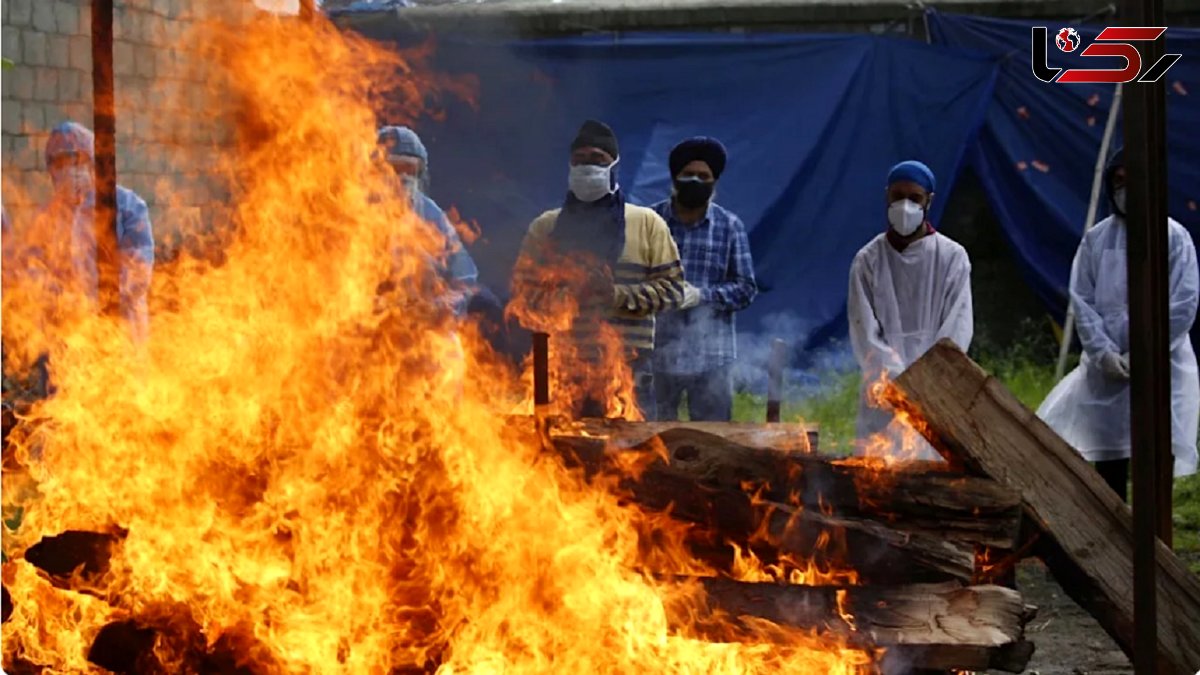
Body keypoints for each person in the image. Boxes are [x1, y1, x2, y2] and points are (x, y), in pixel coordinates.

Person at [1037, 148, 1199, 500]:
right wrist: (1104, 354)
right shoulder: (1097, 240)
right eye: (1118, 181)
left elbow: (1183, 303)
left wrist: (1147, 351)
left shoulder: (1172, 237)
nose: (1125, 188)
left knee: (1155, 459)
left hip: (1162, 367)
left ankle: (1156, 547)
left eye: (1133, 180)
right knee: (1109, 462)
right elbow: (1083, 300)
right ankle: (1112, 544)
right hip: (1106, 373)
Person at [511, 119, 697, 418]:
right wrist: (568, 297)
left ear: (614, 166)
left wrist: (616, 295)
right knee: (558, 458)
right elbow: (523, 295)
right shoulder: (545, 227)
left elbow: (673, 291)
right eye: (580, 160)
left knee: (632, 458)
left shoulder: (647, 224)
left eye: (598, 160)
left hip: (629, 374)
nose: (588, 167)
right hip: (563, 372)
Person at [847, 160, 973, 460]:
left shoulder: (951, 257)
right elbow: (864, 331)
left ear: (929, 201)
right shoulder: (868, 260)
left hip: (934, 390)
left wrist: (927, 381)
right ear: (886, 197)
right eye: (897, 196)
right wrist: (895, 380)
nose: (905, 206)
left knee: (933, 471)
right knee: (876, 478)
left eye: (914, 198)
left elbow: (957, 327)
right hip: (883, 390)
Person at [650, 137, 757, 421]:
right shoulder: (650, 221)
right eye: (688, 175)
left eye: (703, 176)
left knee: (713, 443)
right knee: (649, 444)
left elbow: (746, 289)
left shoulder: (730, 226)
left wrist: (702, 296)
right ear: (674, 178)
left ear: (714, 182)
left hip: (712, 358)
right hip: (656, 355)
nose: (695, 180)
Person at [35, 121, 155, 344]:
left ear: (92, 164)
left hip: (120, 333)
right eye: (59, 164)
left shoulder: (127, 206)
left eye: (76, 161)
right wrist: (58, 301)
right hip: (66, 338)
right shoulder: (46, 218)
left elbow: (138, 270)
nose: (68, 171)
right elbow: (34, 271)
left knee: (113, 378)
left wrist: (95, 301)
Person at [376, 125, 479, 317]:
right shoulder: (354, 216)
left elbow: (465, 278)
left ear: (420, 171)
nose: (403, 176)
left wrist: (443, 306)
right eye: (396, 168)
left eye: (410, 168)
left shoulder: (432, 215)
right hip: (369, 326)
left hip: (425, 325)